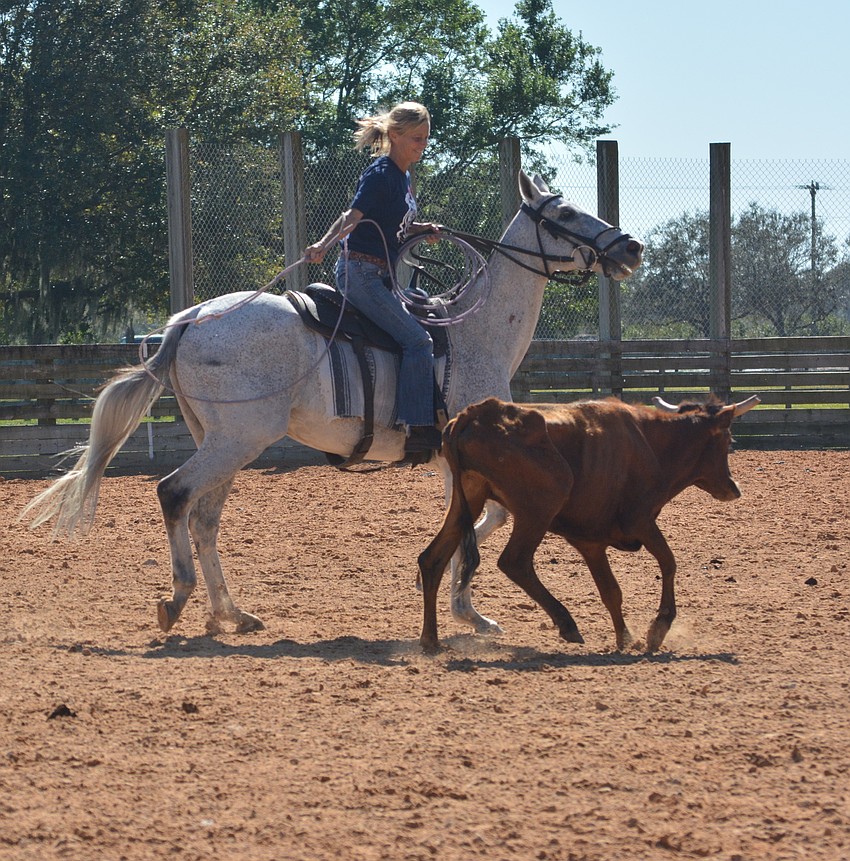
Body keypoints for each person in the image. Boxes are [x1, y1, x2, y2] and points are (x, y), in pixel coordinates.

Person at [303, 101, 443, 454]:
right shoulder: (382, 174)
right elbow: (353, 216)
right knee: (419, 342)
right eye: (416, 138)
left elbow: (394, 225)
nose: (422, 146)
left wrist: (420, 228)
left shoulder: (404, 177)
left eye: (425, 139)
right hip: (361, 274)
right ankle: (418, 426)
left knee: (420, 319)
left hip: (381, 276)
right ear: (394, 136)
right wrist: (323, 243)